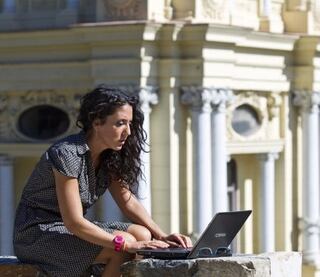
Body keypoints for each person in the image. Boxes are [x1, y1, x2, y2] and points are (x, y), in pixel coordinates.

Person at [13, 85, 192, 277]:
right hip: (37, 235)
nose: (128, 132)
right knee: (123, 244)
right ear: (97, 121)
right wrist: (127, 244)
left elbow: (127, 200)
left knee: (143, 234)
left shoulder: (109, 155)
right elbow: (74, 222)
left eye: (129, 123)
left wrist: (161, 235)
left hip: (69, 230)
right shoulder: (67, 153)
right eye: (120, 123)